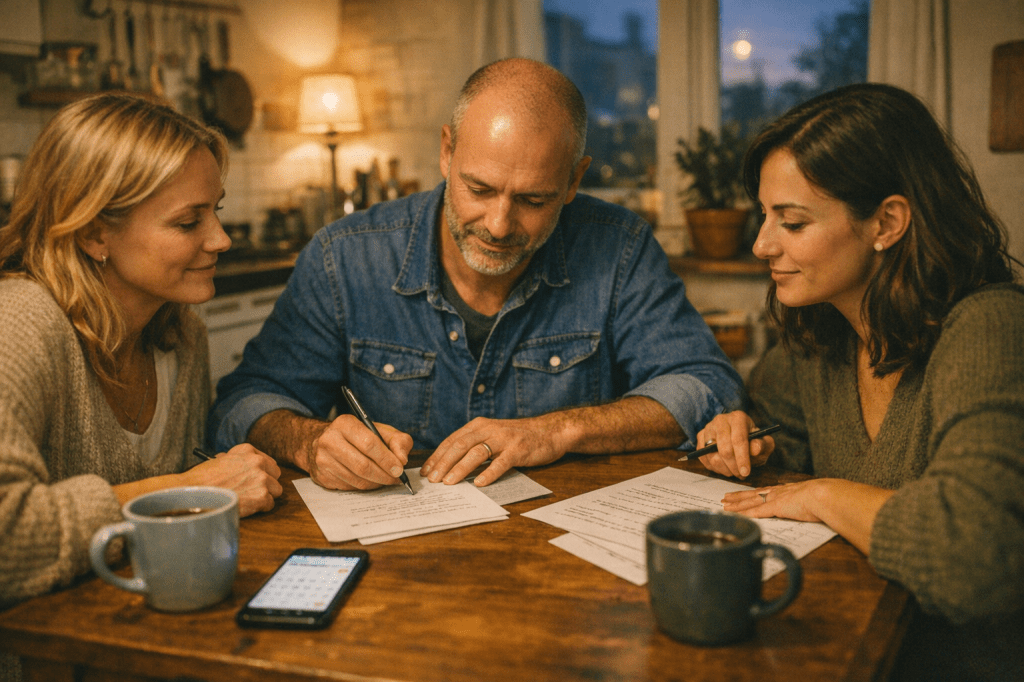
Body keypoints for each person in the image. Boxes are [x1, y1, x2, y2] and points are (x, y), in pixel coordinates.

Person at [209, 58, 742, 490]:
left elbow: (707, 386)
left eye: (534, 200)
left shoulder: (619, 247)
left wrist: (557, 431)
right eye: (479, 189)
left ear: (574, 180)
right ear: (447, 152)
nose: (499, 224)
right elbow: (243, 402)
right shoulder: (343, 256)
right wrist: (309, 442)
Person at [695, 83, 1024, 681]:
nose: (762, 244)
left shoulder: (990, 326)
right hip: (845, 649)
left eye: (792, 222)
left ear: (887, 222)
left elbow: (974, 556)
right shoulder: (823, 332)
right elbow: (774, 431)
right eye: (764, 215)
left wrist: (824, 495)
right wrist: (744, 436)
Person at [0, 93, 284, 612]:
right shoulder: (18, 323)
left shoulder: (181, 333)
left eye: (216, 211)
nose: (221, 240)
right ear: (94, 233)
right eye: (188, 222)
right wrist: (181, 491)